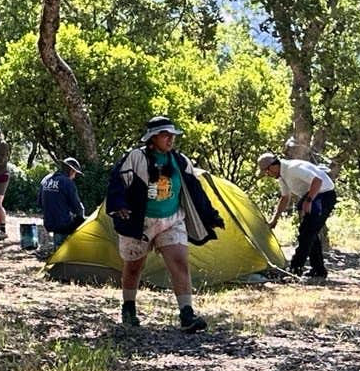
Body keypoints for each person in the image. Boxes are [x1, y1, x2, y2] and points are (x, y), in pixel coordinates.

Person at [106, 116, 222, 332]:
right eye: (165, 135)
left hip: (171, 219)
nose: (170, 139)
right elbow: (117, 182)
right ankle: (129, 308)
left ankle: (187, 314)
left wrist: (210, 215)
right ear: (152, 138)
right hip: (139, 222)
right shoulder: (136, 157)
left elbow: (195, 190)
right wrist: (119, 205)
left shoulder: (180, 161)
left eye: (172, 135)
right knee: (133, 268)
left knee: (179, 262)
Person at [261, 151, 337, 281]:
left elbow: (317, 181)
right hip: (313, 196)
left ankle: (295, 269)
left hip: (323, 196)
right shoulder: (282, 176)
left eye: (267, 171)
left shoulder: (293, 168)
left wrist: (309, 201)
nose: (268, 175)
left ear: (273, 165)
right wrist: (275, 219)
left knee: (307, 233)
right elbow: (285, 198)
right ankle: (318, 270)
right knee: (310, 233)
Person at [38, 156, 85, 251]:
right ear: (72, 171)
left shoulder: (46, 179)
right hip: (63, 225)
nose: (74, 176)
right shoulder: (67, 182)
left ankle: (59, 251)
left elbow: (39, 202)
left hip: (49, 222)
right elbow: (77, 208)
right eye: (75, 173)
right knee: (82, 221)